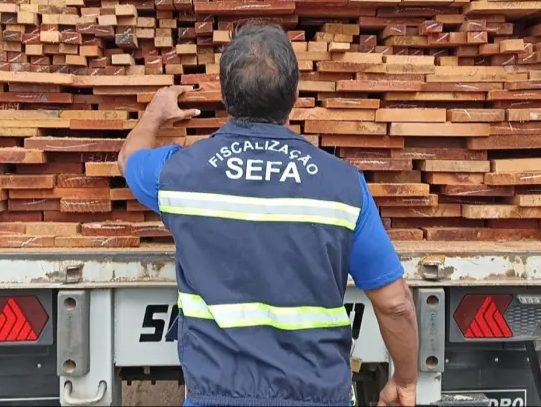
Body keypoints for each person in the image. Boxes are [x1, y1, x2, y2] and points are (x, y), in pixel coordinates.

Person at [119, 24, 418, 407]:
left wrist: (155, 115)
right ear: (294, 95)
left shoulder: (178, 175)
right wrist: (405, 379)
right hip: (319, 397)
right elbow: (394, 302)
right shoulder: (343, 186)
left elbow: (128, 159)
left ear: (226, 97)